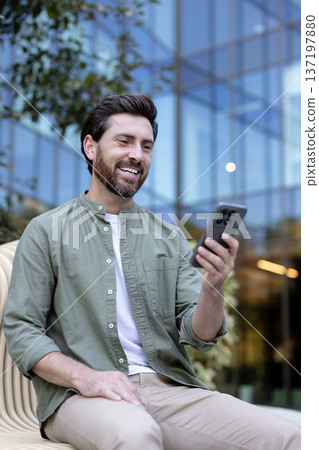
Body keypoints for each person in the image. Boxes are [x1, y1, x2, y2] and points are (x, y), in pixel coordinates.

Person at [4, 94, 300, 450]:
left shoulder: (168, 236)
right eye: (124, 141)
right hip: (79, 396)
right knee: (136, 435)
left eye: (146, 146)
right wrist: (88, 378)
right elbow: (23, 330)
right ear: (90, 147)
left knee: (289, 437)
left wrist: (213, 286)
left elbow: (200, 335)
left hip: (169, 389)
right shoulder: (46, 230)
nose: (137, 155)